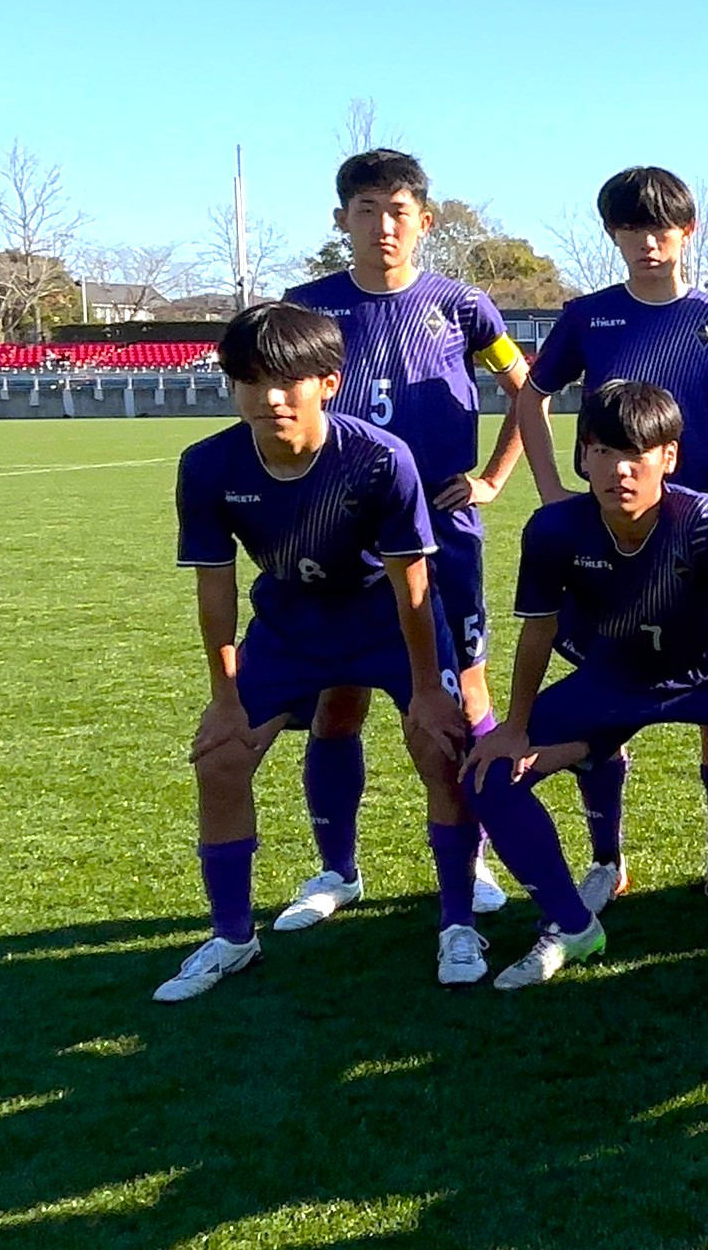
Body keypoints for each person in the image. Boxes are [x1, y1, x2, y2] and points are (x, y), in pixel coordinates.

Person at [463, 380, 708, 989]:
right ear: (582, 455)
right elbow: (537, 632)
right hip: (615, 681)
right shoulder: (554, 529)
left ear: (669, 457)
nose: (619, 470)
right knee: (487, 775)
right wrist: (514, 727)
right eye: (603, 452)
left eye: (636, 454)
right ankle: (570, 923)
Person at [156, 302, 472, 1002]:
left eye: (286, 381)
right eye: (250, 380)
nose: (269, 397)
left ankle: (457, 922)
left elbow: (413, 585)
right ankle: (233, 936)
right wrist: (224, 698)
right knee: (221, 759)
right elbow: (216, 591)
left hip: (385, 621)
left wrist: (427, 690)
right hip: (291, 626)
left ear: (328, 383)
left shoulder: (379, 457)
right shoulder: (208, 465)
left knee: (441, 747)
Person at [514, 167, 708, 918]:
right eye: (630, 229)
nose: (647, 242)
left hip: (697, 537)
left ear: (687, 232)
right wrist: (551, 489)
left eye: (661, 228)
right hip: (607, 535)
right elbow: (532, 395)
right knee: (607, 690)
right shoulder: (588, 316)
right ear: (614, 235)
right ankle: (607, 859)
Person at [285, 147, 528, 931]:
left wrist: (493, 478)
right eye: (366, 211)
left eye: (397, 212)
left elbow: (526, 389)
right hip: (340, 532)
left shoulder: (464, 306)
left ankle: (474, 856)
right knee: (338, 700)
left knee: (466, 694)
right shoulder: (305, 308)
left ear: (424, 220)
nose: (383, 226)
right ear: (341, 220)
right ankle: (338, 869)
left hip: (440, 529)